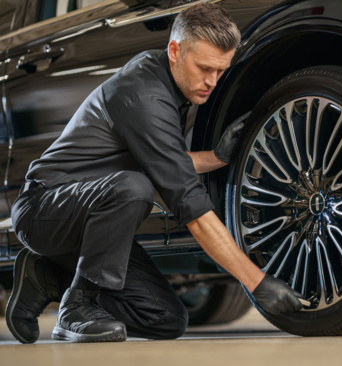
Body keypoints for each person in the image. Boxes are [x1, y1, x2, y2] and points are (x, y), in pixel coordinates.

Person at [6, 2, 303, 344]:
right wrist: (256, 281)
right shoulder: (142, 94)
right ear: (175, 51)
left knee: (166, 320)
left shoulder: (171, 82)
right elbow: (191, 207)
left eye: (220, 71)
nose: (212, 82)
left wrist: (217, 157)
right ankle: (77, 307)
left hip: (93, 218)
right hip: (44, 209)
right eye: (205, 68)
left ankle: (47, 277)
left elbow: (166, 161)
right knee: (135, 187)